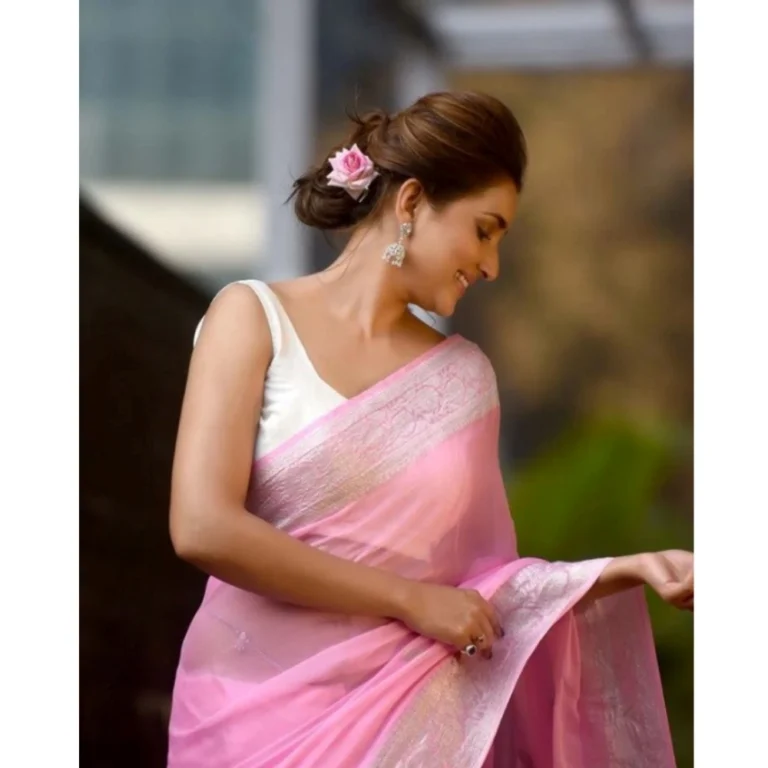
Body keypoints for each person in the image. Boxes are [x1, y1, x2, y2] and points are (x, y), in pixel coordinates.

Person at [167, 91, 692, 767]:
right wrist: (409, 599)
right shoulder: (251, 318)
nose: (492, 265)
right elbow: (202, 526)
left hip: (404, 726)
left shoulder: (463, 382)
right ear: (412, 202)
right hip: (242, 720)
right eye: (485, 230)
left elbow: (483, 587)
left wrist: (623, 571)